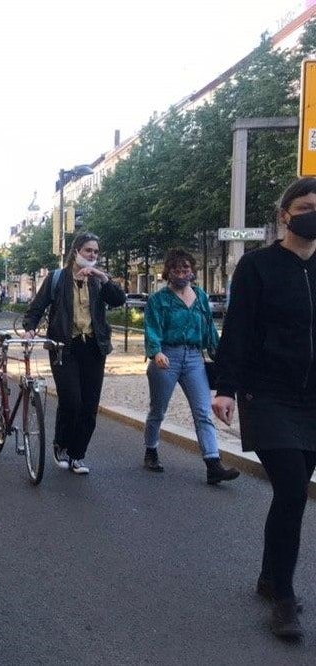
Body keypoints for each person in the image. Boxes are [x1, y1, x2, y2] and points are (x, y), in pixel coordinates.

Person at [212, 177, 316, 641]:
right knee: (292, 490)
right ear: (284, 215)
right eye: (306, 206)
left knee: (292, 494)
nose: (313, 214)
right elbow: (238, 329)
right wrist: (225, 388)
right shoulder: (257, 267)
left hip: (313, 398)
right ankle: (284, 598)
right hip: (269, 394)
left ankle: (271, 576)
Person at [22, 232, 126, 474]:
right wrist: (29, 328)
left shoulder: (98, 280)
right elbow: (37, 307)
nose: (92, 255)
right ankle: (61, 444)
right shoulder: (57, 278)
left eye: (96, 251)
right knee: (71, 400)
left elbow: (118, 299)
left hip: (94, 348)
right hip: (64, 347)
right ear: (76, 251)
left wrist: (103, 277)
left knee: (89, 406)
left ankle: (78, 455)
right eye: (88, 250)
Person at [141, 248, 239, 483]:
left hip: (194, 357)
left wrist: (220, 356)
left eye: (186, 268)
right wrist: (156, 352)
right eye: (176, 269)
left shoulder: (201, 296)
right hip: (167, 356)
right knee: (158, 409)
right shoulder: (159, 299)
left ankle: (213, 464)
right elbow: (152, 327)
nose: (182, 273)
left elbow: (208, 328)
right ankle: (151, 450)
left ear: (192, 270)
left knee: (203, 411)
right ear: (168, 272)